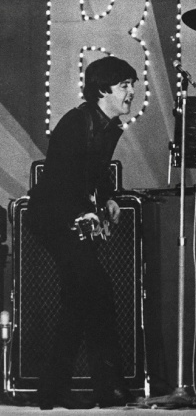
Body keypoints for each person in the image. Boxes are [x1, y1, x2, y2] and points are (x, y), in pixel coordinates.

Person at [27, 56, 138, 409]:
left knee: (83, 299)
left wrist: (107, 200)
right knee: (95, 290)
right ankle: (107, 389)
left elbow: (94, 172)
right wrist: (84, 212)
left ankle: (57, 392)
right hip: (53, 217)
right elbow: (61, 179)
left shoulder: (106, 125)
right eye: (124, 85)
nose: (132, 92)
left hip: (70, 216)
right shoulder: (76, 123)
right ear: (103, 89)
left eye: (132, 84)